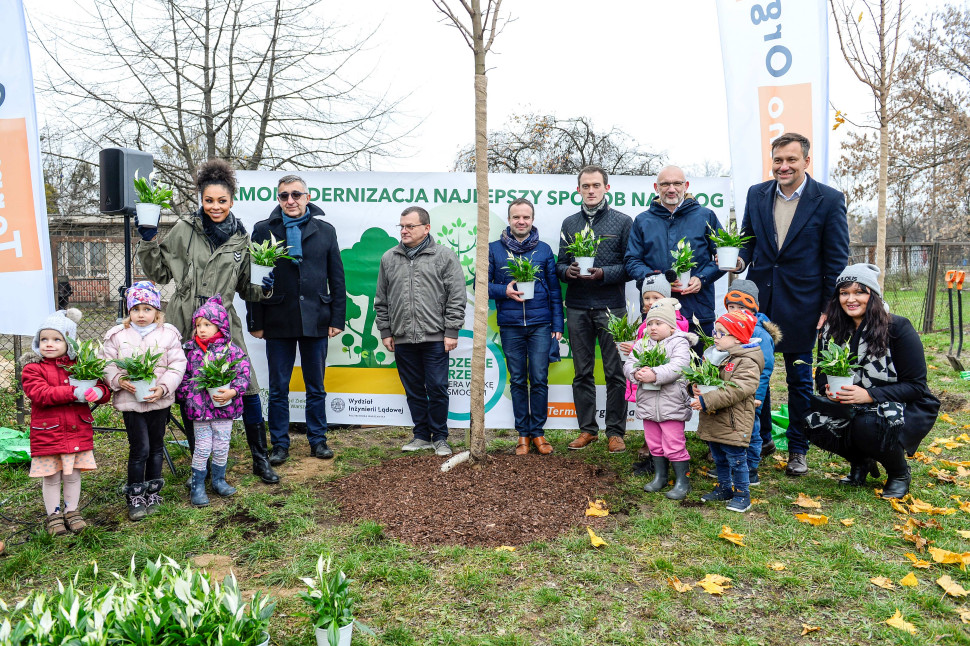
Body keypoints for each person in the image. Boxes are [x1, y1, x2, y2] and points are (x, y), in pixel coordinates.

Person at [136, 159, 279, 485]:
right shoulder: (185, 229)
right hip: (186, 319)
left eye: (222, 201)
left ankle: (261, 459)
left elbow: (249, 289)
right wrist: (148, 240)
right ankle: (199, 465)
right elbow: (159, 273)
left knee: (248, 386)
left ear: (231, 200)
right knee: (189, 389)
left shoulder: (242, 239)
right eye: (209, 200)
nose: (215, 206)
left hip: (224, 319)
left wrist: (266, 283)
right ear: (201, 199)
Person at [736, 132, 850, 477]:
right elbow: (747, 241)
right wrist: (738, 260)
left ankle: (798, 449)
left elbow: (836, 259)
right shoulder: (757, 194)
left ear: (806, 162)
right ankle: (765, 438)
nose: (783, 167)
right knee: (757, 373)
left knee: (799, 380)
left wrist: (827, 307)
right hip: (761, 304)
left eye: (791, 160)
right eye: (778, 160)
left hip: (804, 305)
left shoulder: (828, 200)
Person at [804, 264, 934, 499]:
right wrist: (829, 387)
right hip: (851, 401)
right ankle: (861, 461)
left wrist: (869, 395)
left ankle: (898, 472)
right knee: (810, 420)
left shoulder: (897, 327)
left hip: (900, 403)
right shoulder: (831, 330)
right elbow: (822, 374)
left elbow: (916, 386)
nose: (850, 299)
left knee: (868, 423)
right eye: (844, 293)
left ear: (872, 295)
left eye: (859, 292)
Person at [247, 175, 347, 465]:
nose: (290, 201)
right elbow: (254, 280)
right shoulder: (263, 230)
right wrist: (256, 321)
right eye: (283, 196)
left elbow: (336, 278)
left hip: (316, 317)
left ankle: (318, 440)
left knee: (316, 385)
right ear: (278, 199)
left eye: (295, 195)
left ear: (307, 197)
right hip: (277, 318)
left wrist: (337, 317)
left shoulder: (325, 230)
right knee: (279, 387)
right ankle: (279, 444)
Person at [375, 206, 467, 457]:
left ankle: (440, 437)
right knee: (413, 388)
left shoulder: (444, 256)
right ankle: (420, 436)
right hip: (402, 337)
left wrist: (451, 330)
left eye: (410, 226)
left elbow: (457, 296)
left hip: (436, 336)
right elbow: (381, 299)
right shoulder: (389, 258)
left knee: (437, 387)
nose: (404, 231)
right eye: (401, 226)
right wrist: (385, 330)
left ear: (426, 228)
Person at [556, 165, 632, 453]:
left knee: (615, 372)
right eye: (585, 186)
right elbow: (560, 263)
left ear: (606, 188)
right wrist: (568, 272)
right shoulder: (569, 223)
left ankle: (615, 432)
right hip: (576, 307)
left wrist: (603, 274)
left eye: (596, 186)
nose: (590, 190)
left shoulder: (623, 222)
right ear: (578, 190)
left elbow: (630, 266)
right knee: (582, 372)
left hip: (612, 307)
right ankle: (588, 430)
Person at [20, 309, 111, 535]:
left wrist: (98, 393)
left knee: (73, 474)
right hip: (48, 433)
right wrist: (74, 392)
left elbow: (102, 386)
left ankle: (72, 511)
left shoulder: (80, 366)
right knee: (51, 476)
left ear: (69, 342)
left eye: (57, 339)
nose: (49, 344)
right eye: (44, 339)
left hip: (76, 430)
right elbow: (41, 394)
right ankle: (54, 515)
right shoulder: (32, 369)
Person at [102, 281, 187, 521]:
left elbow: (177, 365)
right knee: (140, 448)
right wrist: (119, 380)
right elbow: (107, 363)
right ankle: (135, 495)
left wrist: (163, 387)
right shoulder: (117, 336)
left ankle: (153, 491)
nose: (141, 314)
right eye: (135, 309)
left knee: (157, 447)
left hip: (158, 402)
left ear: (157, 312)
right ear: (128, 312)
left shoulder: (168, 335)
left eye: (147, 309)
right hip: (131, 403)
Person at [487, 198, 564, 455]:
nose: (521, 222)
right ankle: (523, 435)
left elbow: (554, 290)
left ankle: (538, 433)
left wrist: (557, 325)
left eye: (526, 217)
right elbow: (481, 284)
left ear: (532, 220)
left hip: (541, 324)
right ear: (509, 220)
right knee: (518, 379)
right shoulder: (493, 250)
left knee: (539, 379)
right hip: (510, 326)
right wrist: (503, 290)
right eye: (516, 217)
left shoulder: (543, 250)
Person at [624, 165, 725, 337]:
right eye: (665, 184)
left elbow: (723, 257)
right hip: (656, 316)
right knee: (658, 363)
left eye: (677, 183)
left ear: (686, 186)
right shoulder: (642, 221)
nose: (671, 189)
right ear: (656, 188)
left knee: (698, 363)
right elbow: (632, 261)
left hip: (698, 311)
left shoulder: (706, 216)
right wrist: (658, 281)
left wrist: (702, 278)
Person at [177, 295, 252, 507]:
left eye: (207, 325)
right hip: (200, 411)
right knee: (202, 447)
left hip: (224, 409)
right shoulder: (190, 351)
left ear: (220, 326)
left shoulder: (231, 350)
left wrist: (233, 392)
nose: (201, 329)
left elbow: (243, 373)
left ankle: (219, 480)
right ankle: (198, 485)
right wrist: (186, 394)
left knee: (221, 445)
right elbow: (183, 375)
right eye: (198, 325)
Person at [691, 310, 764, 513]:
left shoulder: (747, 361)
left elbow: (738, 389)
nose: (715, 336)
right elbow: (702, 377)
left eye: (721, 333)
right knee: (718, 456)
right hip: (714, 417)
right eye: (715, 331)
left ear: (737, 337)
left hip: (733, 420)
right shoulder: (717, 355)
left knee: (737, 458)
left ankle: (742, 494)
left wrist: (708, 400)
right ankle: (724, 487)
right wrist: (695, 387)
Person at [623, 299, 695, 499]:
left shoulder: (679, 342)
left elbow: (679, 366)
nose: (652, 327)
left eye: (658, 323)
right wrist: (636, 373)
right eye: (650, 323)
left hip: (671, 404)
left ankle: (683, 481)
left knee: (674, 444)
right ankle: (660, 476)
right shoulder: (642, 343)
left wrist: (654, 374)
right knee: (654, 443)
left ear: (671, 327)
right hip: (648, 404)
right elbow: (629, 363)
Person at [621, 273, 688, 466]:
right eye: (646, 298)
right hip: (648, 391)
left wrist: (654, 373)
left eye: (656, 298)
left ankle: (679, 474)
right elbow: (637, 356)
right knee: (652, 428)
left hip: (668, 394)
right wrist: (636, 371)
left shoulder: (677, 331)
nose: (650, 302)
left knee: (671, 434)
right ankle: (657, 467)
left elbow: (676, 363)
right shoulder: (646, 327)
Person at [722, 280, 781, 487]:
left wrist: (758, 396)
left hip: (752, 393)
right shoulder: (727, 329)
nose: (736, 312)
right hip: (733, 391)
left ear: (753, 308)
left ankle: (751, 468)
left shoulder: (759, 335)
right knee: (733, 427)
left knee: (751, 429)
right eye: (732, 307)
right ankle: (734, 464)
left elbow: (765, 369)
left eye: (742, 308)